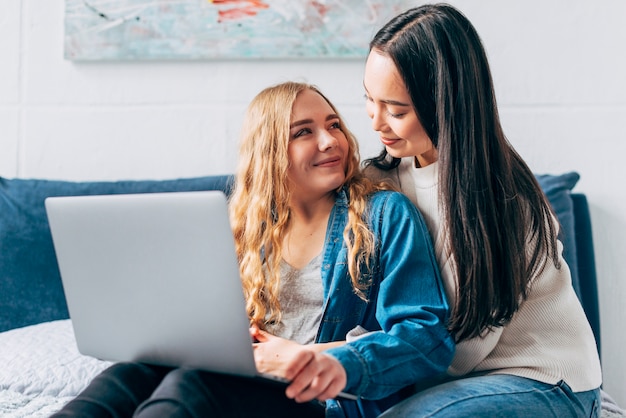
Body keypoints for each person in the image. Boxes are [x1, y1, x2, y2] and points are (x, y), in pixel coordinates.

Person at [52, 81, 454, 418]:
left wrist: (315, 358)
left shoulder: (384, 215)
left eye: (333, 125)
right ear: (269, 152)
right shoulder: (244, 228)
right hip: (247, 385)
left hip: (319, 401)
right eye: (303, 132)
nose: (331, 141)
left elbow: (424, 338)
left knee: (193, 384)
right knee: (133, 372)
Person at [361, 4, 602, 417]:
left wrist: (353, 355)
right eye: (368, 100)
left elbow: (461, 353)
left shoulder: (502, 200)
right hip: (453, 382)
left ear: (445, 104)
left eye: (397, 110)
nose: (376, 122)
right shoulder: (381, 179)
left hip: (543, 380)